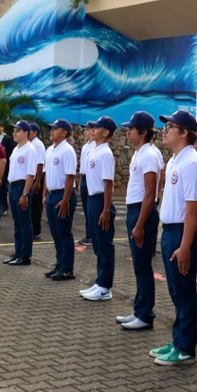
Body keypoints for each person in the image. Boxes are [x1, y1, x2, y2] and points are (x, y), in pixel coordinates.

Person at [148, 110, 197, 366]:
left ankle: (186, 348)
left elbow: (194, 209)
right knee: (175, 290)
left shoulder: (193, 163)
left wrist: (185, 247)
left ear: (185, 132)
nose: (164, 131)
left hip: (184, 234)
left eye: (170, 127)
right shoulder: (175, 161)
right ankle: (178, 340)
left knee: (185, 292)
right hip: (170, 231)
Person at [116, 111, 161, 330]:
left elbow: (150, 194)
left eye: (131, 129)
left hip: (141, 212)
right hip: (135, 209)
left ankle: (145, 314)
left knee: (143, 266)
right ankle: (139, 309)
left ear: (143, 132)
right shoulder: (139, 153)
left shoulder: (149, 155)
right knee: (139, 266)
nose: (128, 132)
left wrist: (139, 224)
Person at [79, 116, 117, 301]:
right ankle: (99, 281)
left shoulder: (105, 153)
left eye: (97, 127)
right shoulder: (94, 150)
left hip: (101, 199)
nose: (92, 130)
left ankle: (105, 287)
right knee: (98, 245)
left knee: (104, 246)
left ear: (106, 132)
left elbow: (108, 184)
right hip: (93, 199)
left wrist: (106, 209)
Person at [43, 119, 78, 281]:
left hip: (63, 195)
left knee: (64, 233)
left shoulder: (67, 150)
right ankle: (59, 264)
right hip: (51, 194)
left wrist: (65, 200)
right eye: (51, 128)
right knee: (56, 233)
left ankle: (67, 269)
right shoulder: (50, 150)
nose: (51, 131)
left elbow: (70, 177)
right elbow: (47, 174)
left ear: (64, 132)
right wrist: (45, 194)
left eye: (55, 129)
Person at [4, 120, 37, 266]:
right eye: (14, 130)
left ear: (26, 133)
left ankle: (25, 255)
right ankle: (17, 252)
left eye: (18, 131)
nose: (14, 133)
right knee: (17, 222)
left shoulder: (30, 150)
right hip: (13, 186)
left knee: (24, 222)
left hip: (22, 186)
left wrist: (24, 194)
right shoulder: (17, 148)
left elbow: (30, 174)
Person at [77, 122, 96, 246]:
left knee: (91, 208)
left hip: (90, 178)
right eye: (85, 129)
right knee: (85, 208)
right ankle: (88, 234)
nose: (85, 132)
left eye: (88, 129)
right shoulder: (85, 146)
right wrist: (80, 182)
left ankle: (92, 235)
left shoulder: (95, 146)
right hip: (84, 177)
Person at [28, 122, 46, 240]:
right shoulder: (29, 144)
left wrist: (37, 182)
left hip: (37, 176)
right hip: (31, 176)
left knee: (36, 206)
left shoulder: (38, 145)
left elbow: (40, 164)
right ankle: (31, 229)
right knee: (31, 205)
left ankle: (36, 231)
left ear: (35, 132)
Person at [0, 121, 14, 217]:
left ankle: (4, 206)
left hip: (5, 167)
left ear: (2, 128)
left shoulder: (8, 139)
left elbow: (11, 153)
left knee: (3, 187)